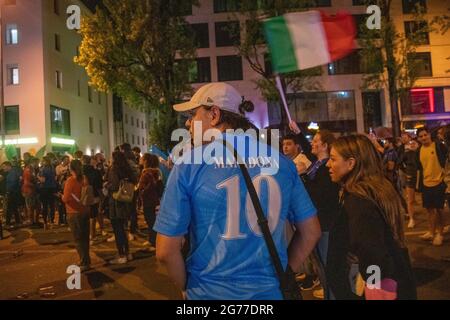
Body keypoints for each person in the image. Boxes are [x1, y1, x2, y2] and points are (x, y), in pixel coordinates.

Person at [154, 82, 321, 300]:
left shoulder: (188, 164)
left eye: (193, 114)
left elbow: (166, 251)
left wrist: (188, 287)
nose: (187, 123)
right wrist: (283, 273)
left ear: (214, 114)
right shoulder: (282, 163)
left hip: (208, 294)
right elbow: (311, 232)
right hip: (270, 294)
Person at [326, 135, 416, 300]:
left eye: (333, 159)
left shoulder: (359, 200)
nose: (328, 164)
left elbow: (371, 251)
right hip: (397, 276)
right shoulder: (377, 187)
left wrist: (374, 288)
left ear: (351, 163)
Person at [302, 130, 340, 299]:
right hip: (316, 223)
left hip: (325, 223)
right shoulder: (316, 164)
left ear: (325, 146)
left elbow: (322, 194)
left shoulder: (326, 168)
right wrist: (297, 133)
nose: (312, 143)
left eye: (316, 141)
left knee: (328, 265)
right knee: (320, 265)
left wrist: (302, 179)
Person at [416, 127, 448, 246]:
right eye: (421, 136)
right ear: (418, 139)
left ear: (429, 135)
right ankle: (431, 232)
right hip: (426, 184)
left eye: (425, 135)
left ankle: (440, 233)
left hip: (439, 182)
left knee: (439, 209)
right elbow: (419, 168)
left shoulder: (439, 146)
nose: (424, 138)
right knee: (429, 210)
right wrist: (419, 186)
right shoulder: (419, 150)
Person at [106, 151, 137, 264]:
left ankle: (121, 255)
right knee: (123, 228)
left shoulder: (114, 169)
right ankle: (128, 253)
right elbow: (134, 180)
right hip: (126, 200)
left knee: (118, 229)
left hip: (116, 202)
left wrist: (107, 185)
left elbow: (113, 185)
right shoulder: (128, 168)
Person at [62, 160, 90, 272]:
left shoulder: (70, 180)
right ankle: (86, 260)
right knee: (85, 237)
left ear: (71, 168)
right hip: (85, 210)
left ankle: (84, 262)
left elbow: (66, 198)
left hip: (74, 212)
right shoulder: (84, 179)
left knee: (78, 238)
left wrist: (61, 197)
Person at [137, 154, 163, 250]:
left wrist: (143, 191)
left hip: (149, 200)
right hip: (155, 199)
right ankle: (152, 240)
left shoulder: (147, 173)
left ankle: (154, 243)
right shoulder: (157, 172)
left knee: (151, 221)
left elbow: (147, 187)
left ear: (146, 161)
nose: (140, 159)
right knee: (153, 221)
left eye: (142, 158)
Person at [81, 155, 103, 244]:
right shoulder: (95, 171)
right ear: (90, 161)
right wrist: (101, 195)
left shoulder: (79, 171)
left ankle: (83, 235)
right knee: (93, 215)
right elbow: (99, 185)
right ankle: (92, 235)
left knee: (82, 215)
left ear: (82, 161)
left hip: (80, 196)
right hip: (94, 195)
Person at [399, 138, 419, 229]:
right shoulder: (407, 154)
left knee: (427, 202)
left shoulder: (422, 151)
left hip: (423, 177)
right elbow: (399, 163)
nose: (412, 144)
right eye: (411, 143)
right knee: (410, 199)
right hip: (410, 177)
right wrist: (406, 171)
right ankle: (411, 219)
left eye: (414, 143)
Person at [39, 156, 57, 229]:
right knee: (52, 206)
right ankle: (52, 221)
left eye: (42, 161)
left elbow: (43, 180)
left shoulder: (43, 170)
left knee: (45, 206)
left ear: (45, 162)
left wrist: (38, 177)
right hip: (52, 188)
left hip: (45, 189)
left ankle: (45, 223)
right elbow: (55, 178)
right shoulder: (52, 169)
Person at [3, 161, 22, 228]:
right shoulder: (12, 172)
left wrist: (8, 191)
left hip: (12, 193)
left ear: (8, 166)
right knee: (14, 208)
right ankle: (18, 221)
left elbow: (13, 183)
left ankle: (7, 223)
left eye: (4, 166)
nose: (3, 168)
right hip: (13, 192)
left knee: (9, 208)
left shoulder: (12, 173)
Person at [22, 158, 39, 226]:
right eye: (37, 163)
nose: (37, 165)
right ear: (34, 162)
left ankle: (34, 221)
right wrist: (36, 184)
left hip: (31, 190)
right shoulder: (29, 169)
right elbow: (26, 182)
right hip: (29, 191)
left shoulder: (31, 169)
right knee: (31, 207)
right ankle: (31, 222)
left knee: (35, 206)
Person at [56, 156, 71, 226]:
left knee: (67, 203)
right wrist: (63, 173)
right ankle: (60, 219)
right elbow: (57, 176)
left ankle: (66, 219)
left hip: (67, 186)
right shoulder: (58, 167)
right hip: (61, 186)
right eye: (66, 160)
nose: (67, 161)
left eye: (68, 160)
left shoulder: (70, 167)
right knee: (60, 204)